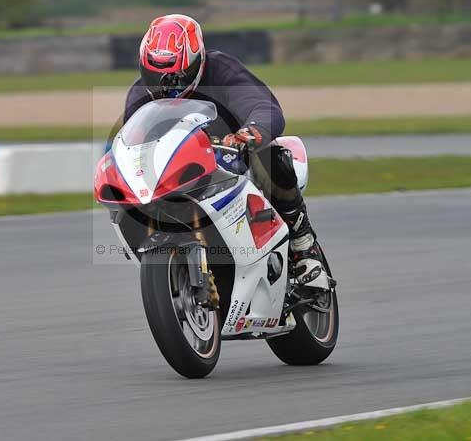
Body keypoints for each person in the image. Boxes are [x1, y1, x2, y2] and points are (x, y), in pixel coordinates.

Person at [123, 14, 330, 287]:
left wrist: (248, 133)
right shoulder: (140, 95)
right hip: (181, 173)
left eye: (176, 77)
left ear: (197, 61)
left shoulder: (221, 70)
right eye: (154, 74)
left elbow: (261, 105)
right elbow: (131, 144)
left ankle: (303, 243)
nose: (166, 86)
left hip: (233, 159)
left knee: (270, 154)